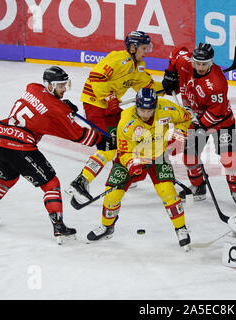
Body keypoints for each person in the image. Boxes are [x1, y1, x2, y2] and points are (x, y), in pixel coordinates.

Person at [0, 66, 114, 244]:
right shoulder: (56, 110)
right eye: (61, 86)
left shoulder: (33, 87)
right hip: (20, 147)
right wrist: (102, 140)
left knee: (6, 179)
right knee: (51, 184)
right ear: (49, 85)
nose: (64, 89)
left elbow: (41, 101)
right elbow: (78, 135)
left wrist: (62, 106)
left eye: (65, 85)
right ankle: (59, 227)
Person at [67, 30, 167, 205]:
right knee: (108, 148)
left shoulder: (138, 66)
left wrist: (168, 84)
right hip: (95, 105)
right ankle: (80, 182)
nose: (147, 51)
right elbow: (96, 78)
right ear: (133, 47)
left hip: (110, 106)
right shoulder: (119, 58)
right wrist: (110, 97)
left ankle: (123, 172)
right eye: (144, 48)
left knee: (128, 137)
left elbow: (147, 87)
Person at [86, 88, 193, 251]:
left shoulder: (166, 108)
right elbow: (123, 152)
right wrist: (132, 164)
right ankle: (107, 226)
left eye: (149, 110)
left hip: (158, 156)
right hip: (132, 158)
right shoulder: (126, 121)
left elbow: (185, 118)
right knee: (112, 194)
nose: (145, 113)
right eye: (142, 109)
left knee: (168, 191)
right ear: (136, 106)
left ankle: (181, 228)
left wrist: (179, 134)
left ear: (155, 106)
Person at [162, 42, 236, 208]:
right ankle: (199, 187)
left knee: (229, 160)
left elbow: (217, 112)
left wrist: (200, 125)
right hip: (196, 119)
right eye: (198, 63)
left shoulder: (217, 83)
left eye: (205, 64)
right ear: (192, 61)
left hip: (222, 122)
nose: (200, 67)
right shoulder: (185, 62)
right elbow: (177, 52)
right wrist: (170, 74)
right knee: (189, 156)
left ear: (211, 62)